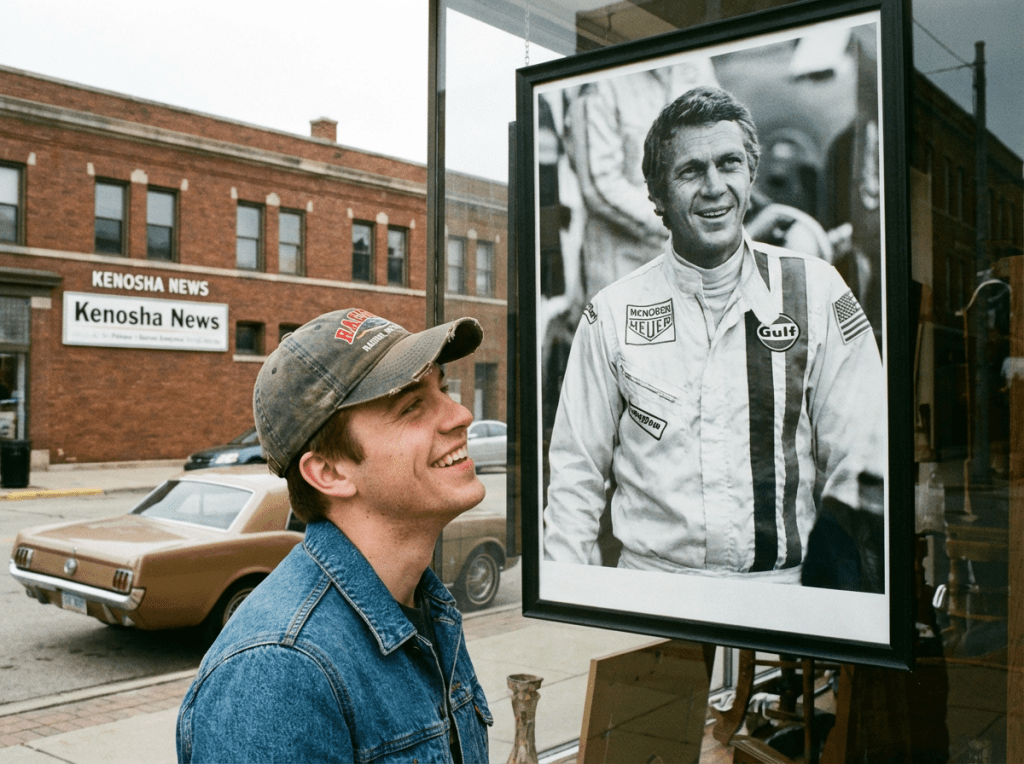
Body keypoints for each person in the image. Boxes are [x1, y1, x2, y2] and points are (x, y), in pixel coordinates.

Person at [543, 86, 886, 591]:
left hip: (786, 601)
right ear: (657, 195)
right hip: (653, 598)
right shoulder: (612, 313)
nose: (713, 187)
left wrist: (841, 606)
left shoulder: (815, 291)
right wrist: (567, 610)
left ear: (750, 176)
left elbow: (859, 461)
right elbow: (575, 480)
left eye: (729, 164)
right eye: (689, 170)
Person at [177, 308, 493, 762]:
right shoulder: (280, 673)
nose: (461, 414)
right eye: (411, 406)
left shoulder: (427, 608)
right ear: (329, 472)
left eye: (441, 389)